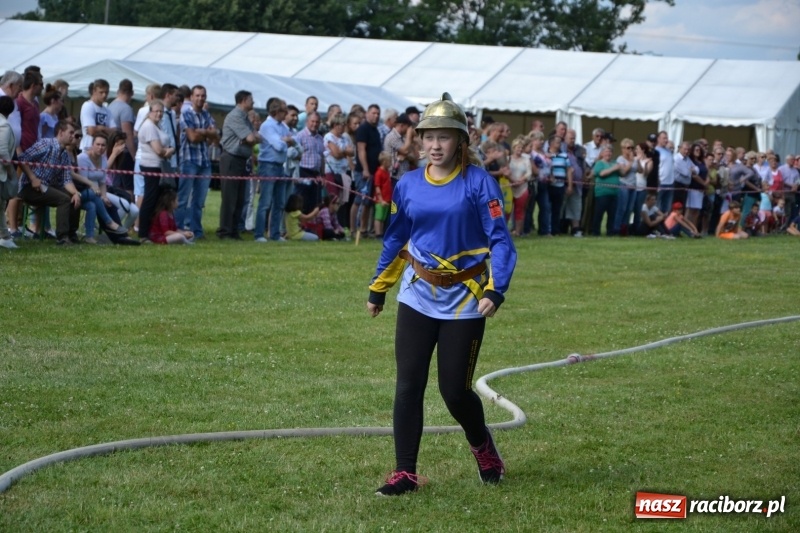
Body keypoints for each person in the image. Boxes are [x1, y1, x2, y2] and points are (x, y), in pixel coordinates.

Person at [366, 93, 516, 496]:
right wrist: (378, 288)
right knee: (408, 384)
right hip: (416, 296)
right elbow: (396, 238)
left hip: (466, 299)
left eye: (444, 137)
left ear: (460, 141)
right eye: (429, 137)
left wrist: (496, 289)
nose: (435, 145)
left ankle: (483, 446)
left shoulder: (480, 183)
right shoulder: (408, 184)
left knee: (454, 391)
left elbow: (500, 241)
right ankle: (405, 473)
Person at [16, 120, 82, 245]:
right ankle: (62, 238)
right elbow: (23, 158)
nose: (73, 136)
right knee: (64, 199)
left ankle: (71, 235)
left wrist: (75, 193)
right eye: (71, 133)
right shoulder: (46, 144)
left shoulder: (65, 155)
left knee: (74, 197)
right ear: (61, 133)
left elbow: (66, 179)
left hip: (46, 187)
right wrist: (33, 178)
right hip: (29, 188)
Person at [74, 134, 130, 243]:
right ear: (92, 145)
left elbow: (102, 182)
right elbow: (83, 181)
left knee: (92, 205)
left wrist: (104, 197)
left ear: (106, 147)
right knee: (95, 195)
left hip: (95, 194)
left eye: (103, 145)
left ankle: (89, 237)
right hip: (78, 192)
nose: (100, 147)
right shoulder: (83, 158)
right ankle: (109, 222)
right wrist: (99, 194)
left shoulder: (103, 159)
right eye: (98, 144)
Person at [136, 99, 175, 241]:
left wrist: (168, 150)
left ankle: (153, 231)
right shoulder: (149, 126)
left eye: (161, 111)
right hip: (151, 165)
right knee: (150, 199)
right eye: (156, 111)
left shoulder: (157, 126)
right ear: (150, 112)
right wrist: (170, 150)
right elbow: (159, 150)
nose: (159, 114)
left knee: (156, 199)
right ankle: (143, 233)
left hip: (158, 166)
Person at [0, 95, 17, 249]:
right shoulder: (4, 125)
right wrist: (11, 170)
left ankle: (5, 236)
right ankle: (5, 237)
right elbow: (3, 151)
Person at [591, 146, 620, 236]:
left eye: (610, 152)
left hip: (614, 192)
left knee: (612, 214)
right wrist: (614, 168)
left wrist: (621, 167)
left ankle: (610, 232)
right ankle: (595, 232)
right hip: (602, 192)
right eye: (606, 151)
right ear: (602, 153)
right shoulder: (599, 163)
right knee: (599, 213)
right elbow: (601, 173)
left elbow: (622, 173)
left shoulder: (614, 163)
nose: (608, 153)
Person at [372, 151, 392, 237]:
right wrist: (381, 200)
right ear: (384, 162)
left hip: (387, 199)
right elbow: (377, 187)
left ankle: (381, 233)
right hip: (381, 200)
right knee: (378, 217)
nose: (390, 163)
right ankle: (378, 233)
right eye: (389, 161)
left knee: (383, 218)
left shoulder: (387, 172)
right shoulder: (379, 173)